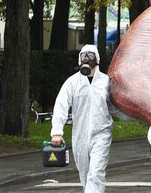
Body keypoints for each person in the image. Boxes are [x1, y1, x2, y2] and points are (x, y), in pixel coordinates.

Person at [50, 44, 129, 193]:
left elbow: (115, 106)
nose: (87, 60)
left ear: (97, 60)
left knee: (96, 172)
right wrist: (57, 132)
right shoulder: (72, 83)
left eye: (90, 57)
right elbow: (61, 105)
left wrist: (136, 115)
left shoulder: (106, 82)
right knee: (85, 175)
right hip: (79, 135)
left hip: (101, 133)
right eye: (84, 56)